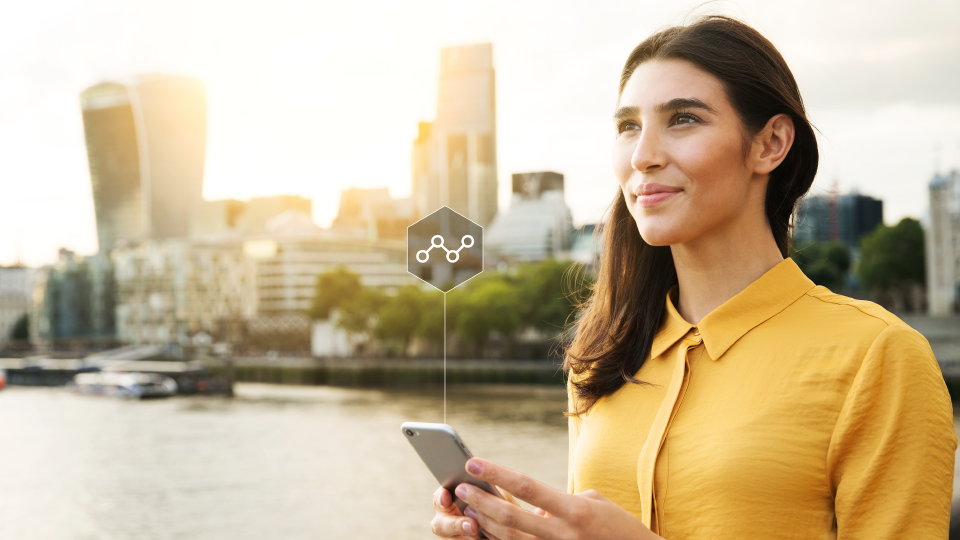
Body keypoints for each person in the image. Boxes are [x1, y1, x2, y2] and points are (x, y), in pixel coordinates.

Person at [430, 15, 957, 540]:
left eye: (682, 119)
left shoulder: (878, 357)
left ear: (770, 143)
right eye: (628, 126)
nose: (643, 156)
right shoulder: (605, 355)